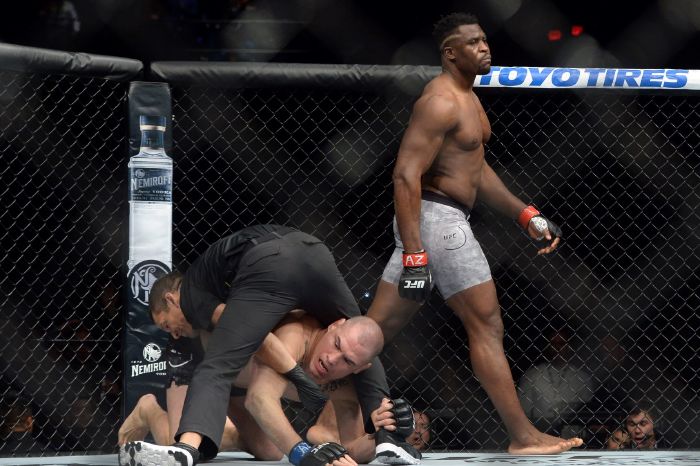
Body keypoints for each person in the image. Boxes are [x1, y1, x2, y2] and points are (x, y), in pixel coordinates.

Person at [366, 12, 581, 455]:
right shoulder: (440, 102)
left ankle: (320, 415)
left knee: (373, 332)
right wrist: (414, 254)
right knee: (486, 324)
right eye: (473, 42)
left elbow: (475, 171)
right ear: (450, 53)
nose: (484, 47)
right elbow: (405, 175)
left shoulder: (469, 99)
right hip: (438, 223)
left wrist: (525, 214)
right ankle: (523, 436)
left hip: (437, 220)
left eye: (484, 39)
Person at [120, 224, 418, 466]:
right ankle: (182, 444)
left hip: (279, 261)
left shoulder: (197, 293)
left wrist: (381, 428)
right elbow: (250, 333)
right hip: (308, 253)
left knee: (360, 337)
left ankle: (388, 434)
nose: (172, 333)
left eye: (166, 324)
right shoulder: (198, 308)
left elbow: (249, 331)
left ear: (171, 299)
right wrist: (300, 382)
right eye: (165, 329)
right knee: (185, 420)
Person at [120, 313, 414, 465]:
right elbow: (259, 400)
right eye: (336, 344)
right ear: (334, 326)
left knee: (270, 451)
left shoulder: (344, 386)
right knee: (178, 443)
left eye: (347, 360)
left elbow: (351, 448)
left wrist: (385, 436)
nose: (331, 359)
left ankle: (219, 422)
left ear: (360, 368)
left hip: (239, 384)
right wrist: (301, 454)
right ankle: (149, 409)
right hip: (202, 357)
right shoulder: (296, 336)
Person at [518, 328, 593, 435]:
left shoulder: (582, 378)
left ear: (569, 346)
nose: (557, 347)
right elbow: (523, 411)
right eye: (553, 343)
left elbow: (587, 414)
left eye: (561, 343)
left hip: (572, 437)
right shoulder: (532, 375)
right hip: (540, 435)